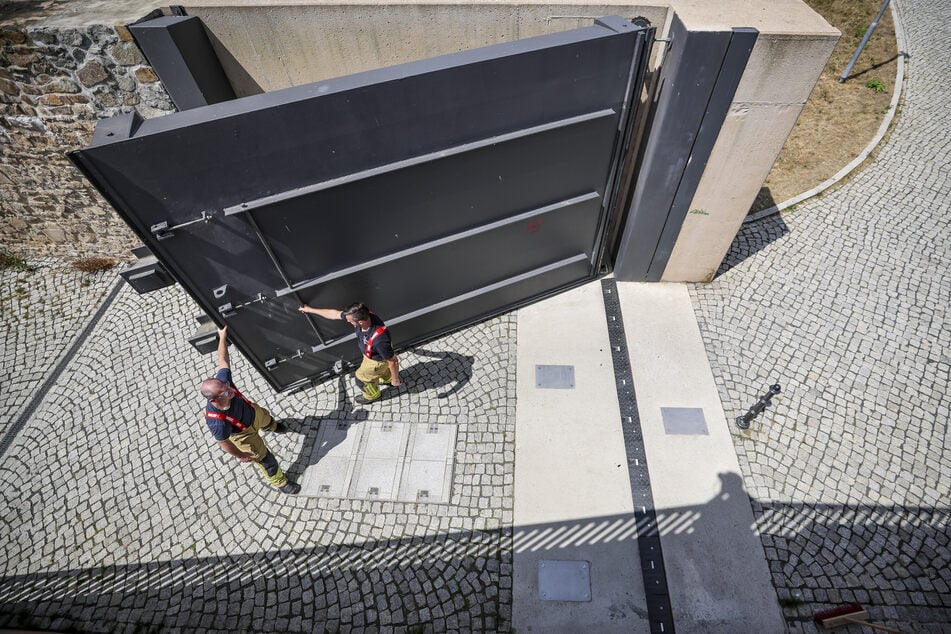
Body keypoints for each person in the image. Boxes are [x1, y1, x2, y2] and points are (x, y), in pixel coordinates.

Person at [200, 326, 301, 494]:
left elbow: (222, 360)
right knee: (266, 460)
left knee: (267, 419)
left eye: (227, 386)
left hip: (253, 413)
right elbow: (224, 442)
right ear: (214, 400)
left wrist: (222, 337)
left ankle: (273, 427)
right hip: (244, 435)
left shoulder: (223, 383)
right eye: (226, 392)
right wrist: (240, 455)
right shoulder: (216, 421)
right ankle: (280, 482)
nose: (231, 390)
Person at [299, 302, 402, 404]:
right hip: (377, 354)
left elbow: (393, 361)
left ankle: (372, 395)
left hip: (375, 362)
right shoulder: (362, 314)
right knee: (382, 369)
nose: (347, 321)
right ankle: (387, 378)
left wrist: (395, 379)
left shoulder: (380, 340)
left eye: (350, 321)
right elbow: (334, 314)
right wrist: (310, 310)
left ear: (360, 322)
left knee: (360, 379)